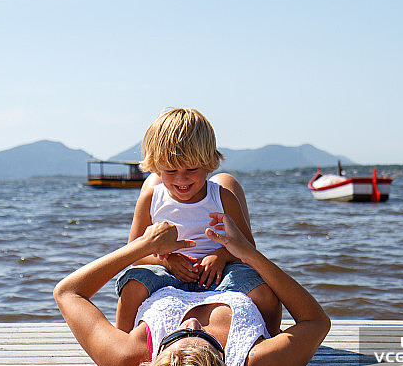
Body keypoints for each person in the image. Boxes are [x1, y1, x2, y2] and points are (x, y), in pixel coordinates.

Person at [53, 212, 331, 366]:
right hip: (233, 283)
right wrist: (247, 252)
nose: (191, 323)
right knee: (226, 183)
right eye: (203, 337)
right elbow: (316, 322)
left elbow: (67, 292)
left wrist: (143, 246)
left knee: (163, 179)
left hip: (167, 279)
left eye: (174, 337)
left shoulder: (129, 359)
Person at [115, 108, 281, 333]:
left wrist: (220, 256)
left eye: (192, 169)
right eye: (171, 170)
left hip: (219, 272)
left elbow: (247, 247)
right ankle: (123, 341)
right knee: (132, 286)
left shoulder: (222, 197)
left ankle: (269, 339)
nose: (181, 179)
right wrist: (167, 261)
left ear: (208, 163)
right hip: (169, 273)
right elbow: (135, 253)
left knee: (264, 294)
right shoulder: (152, 197)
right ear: (156, 166)